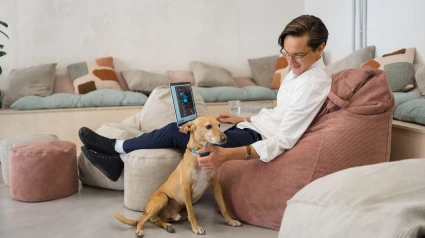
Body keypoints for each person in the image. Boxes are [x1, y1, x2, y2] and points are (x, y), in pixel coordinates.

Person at [79, 15, 331, 182]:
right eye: (286, 54)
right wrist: (244, 118)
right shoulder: (300, 70)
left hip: (257, 139)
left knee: (176, 130)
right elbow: (282, 115)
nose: (291, 61)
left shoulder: (314, 83)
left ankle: (115, 148)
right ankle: (120, 160)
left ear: (320, 48)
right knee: (185, 126)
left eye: (298, 55)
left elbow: (284, 139)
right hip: (252, 127)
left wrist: (227, 155)